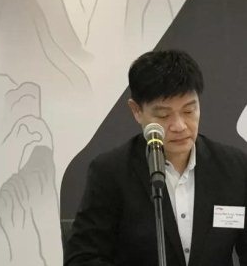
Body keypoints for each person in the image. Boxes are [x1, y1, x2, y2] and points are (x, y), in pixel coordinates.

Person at [65, 49, 247, 266]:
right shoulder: (111, 172)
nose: (179, 126)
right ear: (136, 111)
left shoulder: (235, 167)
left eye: (189, 111)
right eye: (163, 115)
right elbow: (82, 258)